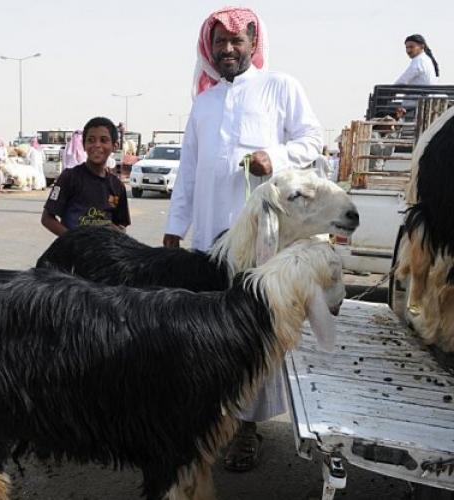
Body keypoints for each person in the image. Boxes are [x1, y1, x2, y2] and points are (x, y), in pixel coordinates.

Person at [163, 7, 323, 472]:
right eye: (221, 42)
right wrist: (175, 226)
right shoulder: (204, 103)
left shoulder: (281, 87)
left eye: (238, 41)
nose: (228, 49)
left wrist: (275, 156)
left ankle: (247, 428)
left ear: (254, 43)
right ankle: (207, 417)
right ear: (209, 48)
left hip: (263, 246)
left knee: (253, 335)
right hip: (208, 246)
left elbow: (313, 139)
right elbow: (189, 172)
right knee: (204, 332)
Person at [41, 117, 130, 236]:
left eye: (104, 140)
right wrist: (74, 241)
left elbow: (121, 226)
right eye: (91, 140)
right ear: (83, 145)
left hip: (104, 253)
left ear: (114, 146)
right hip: (73, 252)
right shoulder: (69, 177)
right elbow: (47, 219)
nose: (97, 145)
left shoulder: (117, 186)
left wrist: (115, 232)